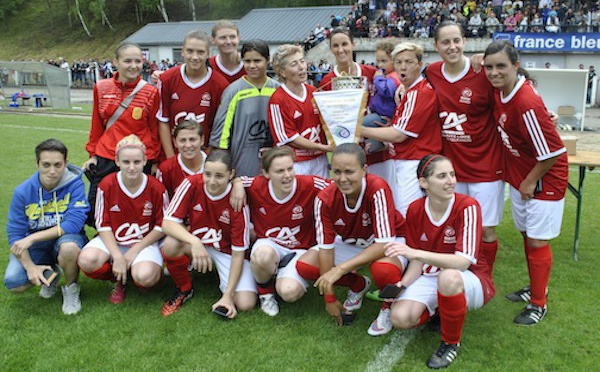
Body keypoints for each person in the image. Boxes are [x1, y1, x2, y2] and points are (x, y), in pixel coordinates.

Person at [483, 40, 568, 325]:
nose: (494, 72)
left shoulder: (525, 101)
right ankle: (535, 287)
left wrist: (531, 181)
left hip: (544, 177)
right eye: (489, 67)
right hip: (522, 176)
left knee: (536, 239)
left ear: (516, 66)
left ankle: (539, 303)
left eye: (501, 67)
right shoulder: (501, 92)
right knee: (527, 235)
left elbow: (554, 152)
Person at [384, 154, 495, 369]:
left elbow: (463, 262)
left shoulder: (468, 206)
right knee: (399, 318)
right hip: (431, 274)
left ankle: (450, 343)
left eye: (452, 174)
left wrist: (417, 253)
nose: (451, 181)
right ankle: (440, 310)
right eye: (442, 176)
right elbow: (417, 260)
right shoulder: (416, 209)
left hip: (470, 278)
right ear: (424, 183)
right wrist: (403, 285)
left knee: (448, 276)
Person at [425, 21, 504, 276]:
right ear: (436, 46)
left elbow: (513, 86)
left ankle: (484, 276)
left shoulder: (483, 72)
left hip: (486, 166)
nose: (452, 46)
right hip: (452, 169)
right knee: (454, 224)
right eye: (446, 42)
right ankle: (455, 272)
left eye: (456, 40)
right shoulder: (433, 72)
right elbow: (409, 78)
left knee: (485, 228)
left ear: (465, 42)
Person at [310, 144, 408, 332]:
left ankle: (389, 305)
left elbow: (384, 243)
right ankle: (359, 285)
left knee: (384, 270)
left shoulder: (377, 187)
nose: (342, 178)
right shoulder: (324, 198)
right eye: (336, 171)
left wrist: (340, 269)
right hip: (354, 242)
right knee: (306, 266)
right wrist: (329, 297)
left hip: (392, 240)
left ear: (364, 170)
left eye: (349, 172)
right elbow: (325, 247)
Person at [161, 150, 255, 317]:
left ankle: (226, 283)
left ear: (231, 174)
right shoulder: (190, 184)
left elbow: (238, 253)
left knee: (245, 303)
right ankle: (184, 288)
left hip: (226, 251)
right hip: (198, 244)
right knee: (170, 244)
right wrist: (194, 242)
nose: (212, 181)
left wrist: (227, 297)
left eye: (219, 176)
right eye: (208, 174)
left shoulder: (237, 200)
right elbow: (167, 223)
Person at [238, 146, 329, 316]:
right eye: (280, 171)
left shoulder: (310, 184)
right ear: (266, 174)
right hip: (271, 244)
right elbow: (234, 181)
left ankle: (282, 273)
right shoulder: (257, 185)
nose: (287, 175)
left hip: (302, 249)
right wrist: (236, 184)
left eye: (290, 168)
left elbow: (339, 189)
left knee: (289, 292)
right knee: (262, 257)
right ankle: (266, 293)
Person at [78, 135, 167, 304]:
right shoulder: (107, 184)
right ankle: (119, 280)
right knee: (87, 260)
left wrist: (133, 251)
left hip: (143, 243)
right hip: (115, 241)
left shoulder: (156, 187)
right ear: (117, 162)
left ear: (145, 161)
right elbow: (102, 224)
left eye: (137, 162)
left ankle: (134, 277)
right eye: (126, 162)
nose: (132, 167)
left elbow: (162, 226)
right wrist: (118, 256)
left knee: (146, 276)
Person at [5, 139, 89, 315]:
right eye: (46, 165)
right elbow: (15, 235)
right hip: (38, 246)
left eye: (58, 165)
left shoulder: (75, 184)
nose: (52, 171)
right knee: (15, 282)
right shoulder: (22, 192)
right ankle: (51, 274)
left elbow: (74, 223)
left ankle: (71, 288)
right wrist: (30, 267)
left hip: (67, 238)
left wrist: (33, 237)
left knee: (69, 248)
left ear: (66, 163)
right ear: (37, 164)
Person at [83, 42, 161, 227]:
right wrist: (93, 155)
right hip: (107, 156)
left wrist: (155, 160)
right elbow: (96, 125)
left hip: (139, 159)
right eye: (128, 61)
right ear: (116, 62)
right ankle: (103, 246)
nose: (134, 66)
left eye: (138, 61)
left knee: (138, 208)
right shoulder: (101, 88)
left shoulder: (151, 92)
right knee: (97, 209)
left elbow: (154, 130)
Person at [361, 42, 442, 216]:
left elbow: (399, 135)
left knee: (407, 216)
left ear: (419, 65)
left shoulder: (417, 93)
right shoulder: (408, 91)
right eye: (398, 62)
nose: (403, 67)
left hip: (413, 162)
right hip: (408, 161)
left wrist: (358, 130)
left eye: (409, 62)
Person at [320, 28, 394, 193]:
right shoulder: (327, 81)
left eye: (345, 44)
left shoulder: (372, 73)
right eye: (336, 46)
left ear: (353, 44)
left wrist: (390, 123)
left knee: (383, 195)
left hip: (377, 149)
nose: (341, 50)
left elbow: (390, 102)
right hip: (347, 152)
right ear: (330, 48)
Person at [210, 40, 280, 177]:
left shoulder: (277, 89)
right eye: (247, 61)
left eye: (257, 61)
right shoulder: (233, 91)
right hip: (241, 165)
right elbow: (221, 137)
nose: (252, 65)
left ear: (267, 60)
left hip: (274, 164)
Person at [156, 29, 228, 158]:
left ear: (208, 54)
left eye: (200, 52)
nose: (195, 57)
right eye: (190, 51)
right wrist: (171, 158)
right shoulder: (166, 79)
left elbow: (220, 128)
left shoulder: (220, 84)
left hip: (204, 155)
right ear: (182, 51)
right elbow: (163, 120)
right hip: (174, 153)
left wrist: (208, 156)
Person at [268, 44, 332, 178]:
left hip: (320, 159)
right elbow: (288, 138)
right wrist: (323, 148)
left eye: (302, 61)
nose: (302, 67)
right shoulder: (277, 99)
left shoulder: (314, 93)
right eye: (294, 64)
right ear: (282, 72)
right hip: (297, 162)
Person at [156, 118, 207, 198]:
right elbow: (162, 203)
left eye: (192, 139)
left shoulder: (214, 165)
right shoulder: (166, 170)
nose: (188, 145)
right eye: (182, 140)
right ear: (175, 142)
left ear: (202, 140)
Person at [209, 20, 246, 84]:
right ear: (213, 40)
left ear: (238, 38)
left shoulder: (249, 64)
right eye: (223, 38)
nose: (228, 42)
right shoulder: (208, 66)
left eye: (232, 37)